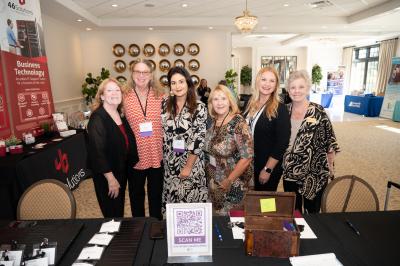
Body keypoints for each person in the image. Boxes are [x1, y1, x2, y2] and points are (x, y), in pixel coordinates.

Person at [282, 70, 340, 213]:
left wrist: (330, 167)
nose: (296, 91)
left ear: (307, 88)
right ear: (288, 90)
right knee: (293, 211)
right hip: (290, 170)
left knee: (312, 213)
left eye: (301, 87)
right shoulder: (283, 111)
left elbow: (330, 142)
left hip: (314, 172)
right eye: (293, 87)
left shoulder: (318, 111)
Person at [87, 78, 138, 218]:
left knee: (118, 209)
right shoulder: (98, 118)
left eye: (117, 90)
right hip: (107, 175)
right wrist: (111, 179)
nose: (114, 93)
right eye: (109, 90)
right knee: (112, 213)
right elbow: (97, 153)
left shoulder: (119, 114)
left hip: (119, 170)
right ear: (102, 96)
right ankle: (113, 239)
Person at [161, 67, 208, 215]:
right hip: (170, 164)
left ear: (188, 83)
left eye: (181, 81)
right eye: (173, 83)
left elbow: (198, 140)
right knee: (174, 207)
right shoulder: (165, 104)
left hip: (191, 164)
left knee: (191, 206)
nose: (177, 86)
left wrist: (187, 167)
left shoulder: (199, 107)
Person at [124, 59, 164, 220]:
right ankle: (138, 227)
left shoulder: (161, 96)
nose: (141, 75)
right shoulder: (123, 96)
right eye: (137, 72)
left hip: (156, 154)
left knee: (156, 194)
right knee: (136, 195)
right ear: (132, 74)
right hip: (135, 156)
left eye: (145, 72)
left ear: (151, 75)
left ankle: (156, 225)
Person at [204, 85, 253, 215]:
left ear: (230, 101)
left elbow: (247, 157)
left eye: (223, 98)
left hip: (233, 185)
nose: (219, 103)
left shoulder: (238, 123)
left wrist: (229, 181)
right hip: (214, 182)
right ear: (211, 103)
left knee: (232, 225)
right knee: (217, 223)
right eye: (215, 99)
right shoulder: (213, 121)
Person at [245, 67, 290, 191]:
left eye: (272, 81)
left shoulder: (280, 109)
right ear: (257, 81)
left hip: (266, 165)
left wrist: (267, 169)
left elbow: (282, 143)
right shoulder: (250, 103)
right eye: (264, 79)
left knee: (266, 204)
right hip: (248, 163)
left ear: (276, 85)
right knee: (249, 203)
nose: (267, 84)